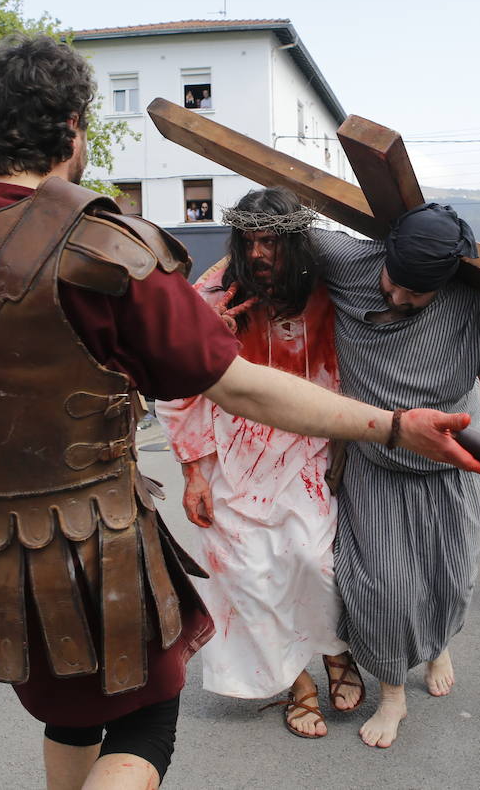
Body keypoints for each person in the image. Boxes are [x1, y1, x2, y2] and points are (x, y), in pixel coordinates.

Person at [0, 33, 480, 789]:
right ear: (74, 128)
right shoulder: (99, 244)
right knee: (141, 719)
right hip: (92, 533)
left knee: (71, 715)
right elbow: (238, 385)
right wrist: (392, 424)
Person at [299, 202, 480, 750]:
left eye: (416, 294)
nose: (397, 298)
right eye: (394, 282)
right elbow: (279, 225)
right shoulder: (349, 260)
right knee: (383, 585)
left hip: (450, 460)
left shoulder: (478, 295)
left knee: (448, 577)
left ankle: (435, 644)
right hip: (378, 459)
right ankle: (393, 693)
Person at [157, 188, 360, 740]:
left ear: (294, 243)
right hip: (230, 458)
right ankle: (297, 683)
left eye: (271, 242)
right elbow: (179, 389)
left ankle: (336, 652)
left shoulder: (330, 288)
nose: (261, 255)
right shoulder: (213, 296)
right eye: (249, 243)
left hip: (308, 451)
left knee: (316, 561)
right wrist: (193, 471)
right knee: (250, 578)